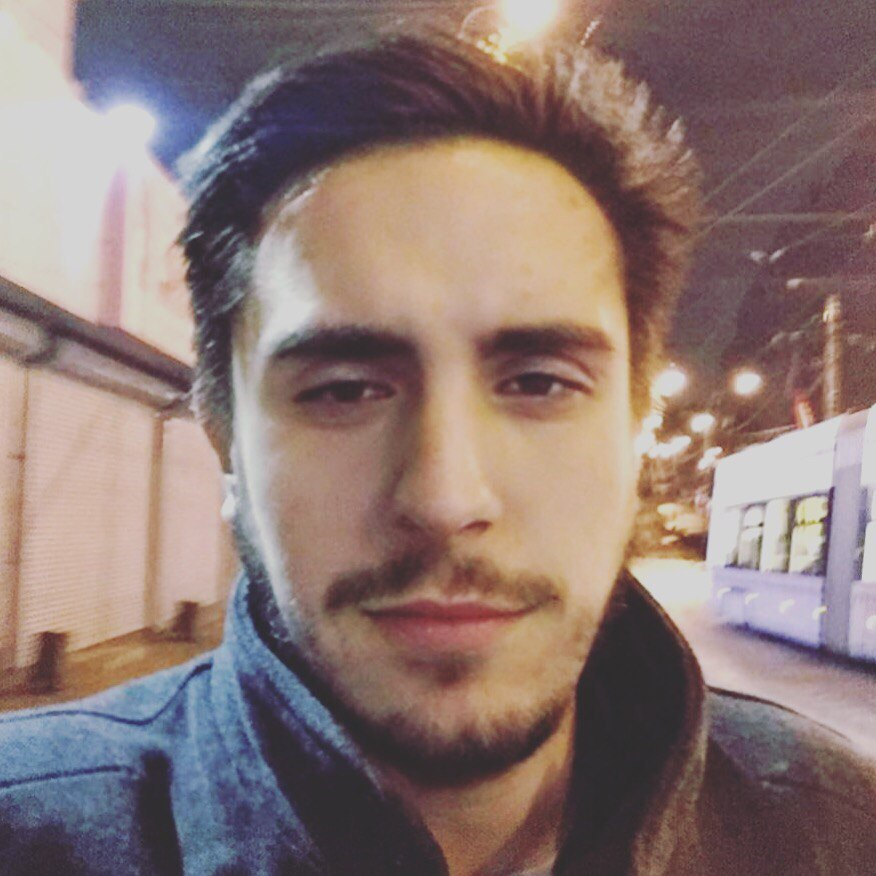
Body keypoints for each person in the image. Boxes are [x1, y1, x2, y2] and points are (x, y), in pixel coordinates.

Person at [1, 28, 874, 876]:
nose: (445, 498)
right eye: (344, 390)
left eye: (539, 382)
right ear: (225, 443)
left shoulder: (835, 827)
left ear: (633, 430)